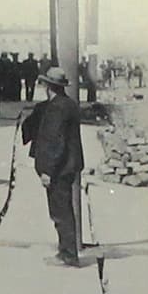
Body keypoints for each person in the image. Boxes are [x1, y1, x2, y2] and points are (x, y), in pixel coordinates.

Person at [22, 67, 84, 267]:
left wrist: (48, 170)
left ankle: (68, 255)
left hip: (59, 168)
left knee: (60, 212)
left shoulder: (56, 109)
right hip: (68, 165)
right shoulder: (67, 104)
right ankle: (65, 251)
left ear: (48, 86)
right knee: (61, 210)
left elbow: (55, 142)